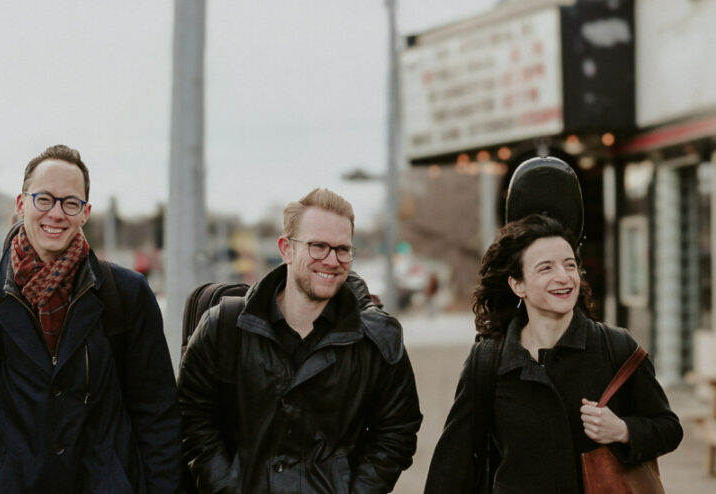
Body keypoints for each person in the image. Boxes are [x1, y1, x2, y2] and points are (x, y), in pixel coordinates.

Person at [0, 144, 181, 493]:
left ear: (85, 212)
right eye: (44, 199)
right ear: (21, 204)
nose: (56, 213)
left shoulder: (126, 294)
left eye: (70, 202)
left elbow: (158, 415)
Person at [178, 188, 422, 493]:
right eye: (318, 246)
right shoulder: (223, 327)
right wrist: (225, 487)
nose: (332, 260)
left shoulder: (377, 341)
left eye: (342, 249)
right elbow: (191, 418)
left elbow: (397, 432)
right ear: (286, 249)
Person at [424, 214, 682, 493]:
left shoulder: (616, 347)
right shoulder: (489, 361)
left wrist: (622, 430)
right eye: (545, 268)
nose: (564, 277)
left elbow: (668, 428)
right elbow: (452, 465)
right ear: (517, 285)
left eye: (569, 265)